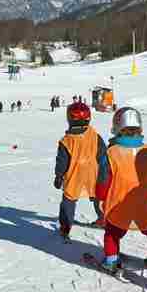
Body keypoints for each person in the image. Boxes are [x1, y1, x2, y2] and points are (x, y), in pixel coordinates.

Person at [95, 107, 147, 272]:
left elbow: (103, 181)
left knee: (112, 231)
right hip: (144, 202)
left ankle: (111, 259)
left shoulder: (111, 153)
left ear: (117, 127)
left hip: (119, 203)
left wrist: (101, 195)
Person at [54, 102, 107, 241]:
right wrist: (105, 173)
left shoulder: (66, 141)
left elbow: (62, 162)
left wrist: (58, 176)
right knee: (98, 197)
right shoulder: (95, 135)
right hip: (93, 174)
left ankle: (65, 227)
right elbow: (103, 155)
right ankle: (103, 219)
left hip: (74, 175)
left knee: (68, 200)